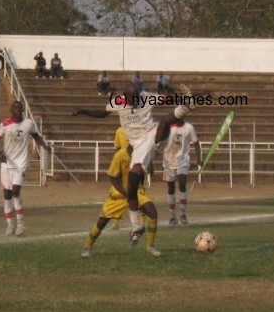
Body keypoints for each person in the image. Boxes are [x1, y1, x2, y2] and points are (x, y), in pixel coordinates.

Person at [72, 82, 198, 248]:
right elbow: (102, 113)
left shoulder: (147, 97)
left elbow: (166, 100)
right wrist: (83, 111)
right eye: (133, 98)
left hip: (152, 135)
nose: (137, 100)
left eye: (138, 96)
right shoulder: (119, 102)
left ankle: (186, 107)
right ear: (126, 96)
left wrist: (183, 96)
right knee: (132, 185)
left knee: (165, 121)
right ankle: (136, 227)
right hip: (138, 145)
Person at [81, 145, 161, 257]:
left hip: (136, 191)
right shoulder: (120, 155)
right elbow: (113, 178)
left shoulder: (143, 153)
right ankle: (87, 246)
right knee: (102, 222)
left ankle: (150, 246)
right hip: (118, 194)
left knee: (152, 212)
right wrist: (127, 194)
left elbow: (149, 172)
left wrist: (150, 163)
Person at [0, 101, 49, 236]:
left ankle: (21, 224)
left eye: (19, 108)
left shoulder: (28, 123)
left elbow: (36, 136)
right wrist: (0, 153)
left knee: (15, 192)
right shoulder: (5, 125)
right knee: (7, 196)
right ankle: (10, 225)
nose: (18, 110)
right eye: (15, 108)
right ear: (11, 110)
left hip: (21, 163)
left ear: (22, 109)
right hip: (6, 164)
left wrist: (44, 146)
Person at [162, 117, 202, 225]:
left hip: (183, 162)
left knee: (182, 184)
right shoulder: (168, 127)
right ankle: (172, 216)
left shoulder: (189, 128)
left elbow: (196, 143)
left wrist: (199, 159)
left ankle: (183, 214)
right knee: (170, 188)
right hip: (168, 162)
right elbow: (160, 140)